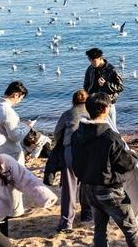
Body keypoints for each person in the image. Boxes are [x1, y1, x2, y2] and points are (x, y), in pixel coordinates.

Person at [71, 92, 138, 247]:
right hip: (109, 192)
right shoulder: (110, 137)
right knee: (132, 229)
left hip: (88, 189)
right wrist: (134, 156)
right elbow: (126, 163)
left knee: (100, 228)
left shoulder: (77, 134)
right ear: (104, 109)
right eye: (109, 106)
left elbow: (75, 163)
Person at [0, 81, 31, 218]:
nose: (20, 101)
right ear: (16, 95)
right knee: (16, 182)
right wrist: (27, 127)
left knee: (3, 182)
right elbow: (15, 137)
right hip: (11, 151)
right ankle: (15, 211)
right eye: (21, 98)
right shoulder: (8, 112)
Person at [52, 89, 92, 232]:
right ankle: (87, 214)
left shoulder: (67, 114)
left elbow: (57, 133)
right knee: (86, 183)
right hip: (87, 151)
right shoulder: (92, 113)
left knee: (69, 187)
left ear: (73, 101)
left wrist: (61, 144)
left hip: (70, 150)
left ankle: (66, 222)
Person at [83, 48, 124, 128]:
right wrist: (88, 96)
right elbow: (86, 84)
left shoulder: (112, 70)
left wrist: (105, 84)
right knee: (95, 128)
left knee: (112, 128)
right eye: (90, 60)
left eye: (93, 60)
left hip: (107, 103)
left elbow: (120, 87)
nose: (91, 62)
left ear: (100, 58)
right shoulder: (90, 69)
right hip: (93, 103)